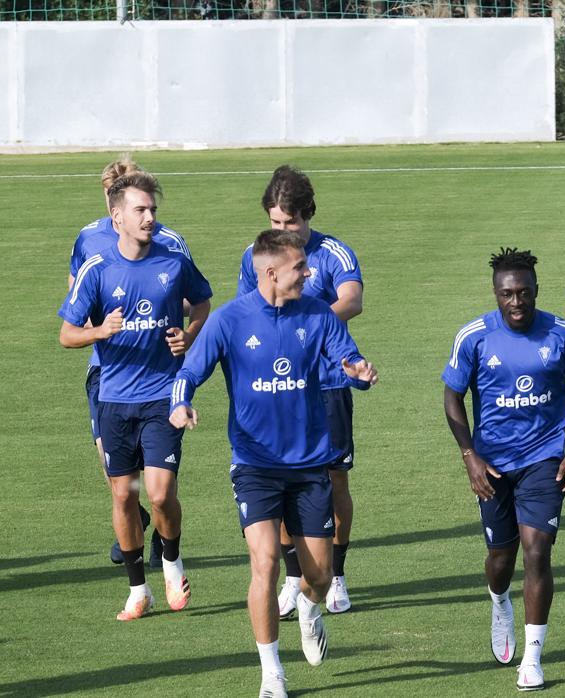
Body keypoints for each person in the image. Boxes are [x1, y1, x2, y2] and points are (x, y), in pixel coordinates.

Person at [171, 228, 377, 698]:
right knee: (263, 563)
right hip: (255, 465)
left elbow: (348, 360)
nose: (308, 274)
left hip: (309, 467)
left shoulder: (318, 316)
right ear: (270, 273)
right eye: (299, 269)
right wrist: (179, 404)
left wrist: (360, 373)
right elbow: (189, 372)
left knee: (319, 576)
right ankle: (272, 673)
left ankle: (309, 606)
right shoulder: (229, 320)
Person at [58, 171, 213, 620]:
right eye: (140, 210)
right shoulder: (98, 268)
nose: (149, 218)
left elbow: (202, 303)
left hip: (162, 396)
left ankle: (171, 560)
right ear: (117, 216)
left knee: (161, 495)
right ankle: (137, 589)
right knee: (125, 496)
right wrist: (99, 331)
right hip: (114, 400)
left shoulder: (173, 261)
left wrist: (189, 335)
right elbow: (67, 334)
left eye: (153, 210)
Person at [444, 248, 565, 691]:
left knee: (537, 552)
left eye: (524, 293)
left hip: (543, 459)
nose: (516, 302)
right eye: (507, 294)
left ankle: (531, 658)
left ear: (535, 290)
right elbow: (452, 396)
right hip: (491, 465)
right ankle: (498, 602)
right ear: (496, 293)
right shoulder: (473, 337)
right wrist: (470, 456)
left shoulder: (563, 335)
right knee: (500, 558)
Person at [238, 166, 365, 615]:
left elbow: (352, 299)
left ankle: (337, 574)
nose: (282, 231)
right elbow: (245, 311)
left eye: (290, 223)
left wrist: (306, 328)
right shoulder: (257, 255)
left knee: (333, 480)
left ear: (307, 216)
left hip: (327, 384)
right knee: (283, 479)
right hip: (278, 390)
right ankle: (295, 575)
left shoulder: (333, 252)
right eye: (275, 223)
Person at [70, 157, 193, 566]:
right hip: (105, 370)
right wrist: (101, 329)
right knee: (118, 480)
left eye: (147, 206)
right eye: (112, 194)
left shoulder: (169, 243)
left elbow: (191, 298)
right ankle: (135, 520)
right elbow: (76, 298)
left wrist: (180, 332)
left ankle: (162, 535)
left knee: (157, 484)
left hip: (157, 376)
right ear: (112, 203)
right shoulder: (88, 240)